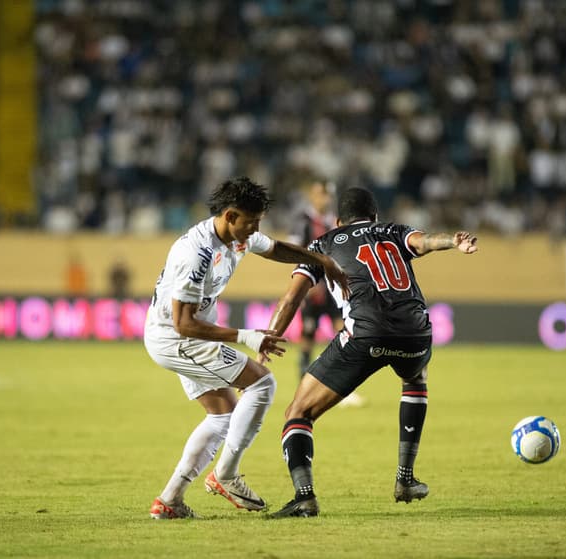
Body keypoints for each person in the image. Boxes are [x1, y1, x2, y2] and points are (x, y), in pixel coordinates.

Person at [262, 187, 478, 518]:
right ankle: (405, 478)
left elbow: (291, 298)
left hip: (365, 335)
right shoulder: (392, 230)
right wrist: (453, 241)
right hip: (416, 332)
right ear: (374, 216)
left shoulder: (324, 243)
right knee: (415, 378)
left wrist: (269, 337)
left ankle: (304, 497)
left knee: (298, 412)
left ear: (336, 221)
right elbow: (424, 242)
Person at [144, 176, 349, 519]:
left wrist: (321, 260)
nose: (255, 228)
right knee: (262, 383)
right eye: (250, 221)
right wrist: (246, 336)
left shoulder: (239, 236)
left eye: (259, 221)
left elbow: (276, 249)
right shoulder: (196, 253)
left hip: (187, 335)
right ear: (229, 215)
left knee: (223, 414)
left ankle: (169, 501)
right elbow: (184, 323)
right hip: (177, 337)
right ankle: (225, 475)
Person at [287, 179, 364, 407]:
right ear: (312, 195)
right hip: (312, 288)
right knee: (307, 337)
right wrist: (304, 284)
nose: (325, 198)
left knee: (344, 333)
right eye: (321, 194)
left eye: (328, 194)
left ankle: (343, 388)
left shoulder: (334, 222)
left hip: (334, 290)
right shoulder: (302, 222)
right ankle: (304, 389)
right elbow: (293, 252)